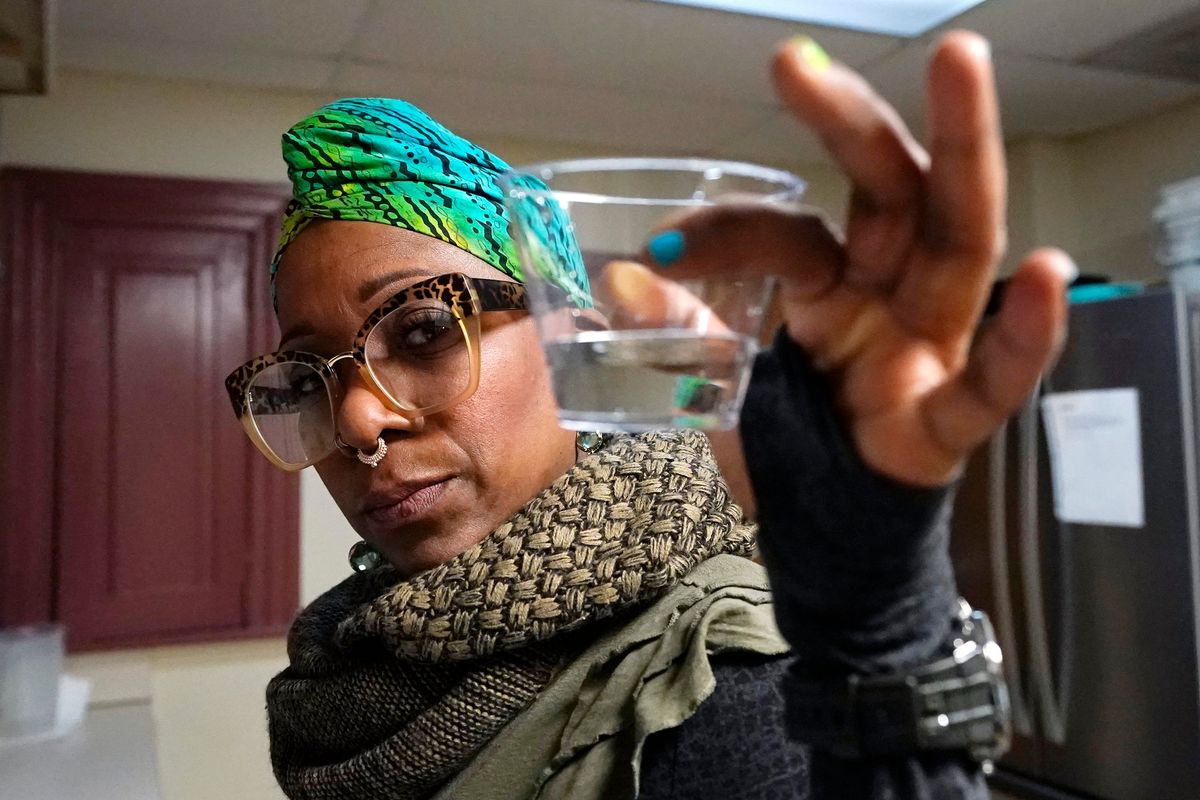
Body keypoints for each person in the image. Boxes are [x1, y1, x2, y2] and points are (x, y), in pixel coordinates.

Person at [225, 30, 1072, 800]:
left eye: (421, 331)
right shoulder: (344, 671)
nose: (360, 422)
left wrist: (881, 619)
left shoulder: (720, 690)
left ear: (571, 344)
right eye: (310, 378)